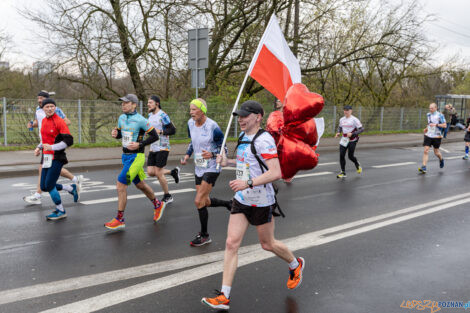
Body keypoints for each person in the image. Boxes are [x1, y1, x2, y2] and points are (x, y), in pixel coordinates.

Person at [201, 100, 304, 311]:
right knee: (231, 243)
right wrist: (226, 162)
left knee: (267, 244)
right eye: (239, 116)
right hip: (242, 199)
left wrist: (247, 182)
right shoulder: (242, 137)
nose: (241, 119)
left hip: (261, 201)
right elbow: (246, 164)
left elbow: (275, 172)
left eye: (245, 116)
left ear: (258, 117)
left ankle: (295, 264)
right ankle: (224, 296)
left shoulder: (264, 140)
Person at [104, 94, 165, 230]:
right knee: (140, 185)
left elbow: (154, 136)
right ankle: (157, 204)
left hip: (137, 157)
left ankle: (120, 219)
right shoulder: (121, 118)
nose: (123, 105)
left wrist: (140, 144)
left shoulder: (141, 120)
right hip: (125, 156)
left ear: (134, 105)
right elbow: (121, 133)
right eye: (122, 103)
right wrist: (115, 134)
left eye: (126, 103)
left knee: (121, 185)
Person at [180, 98, 232, 246]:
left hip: (212, 167)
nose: (191, 113)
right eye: (190, 110)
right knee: (205, 201)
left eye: (194, 109)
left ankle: (204, 235)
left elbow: (224, 149)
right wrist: (186, 155)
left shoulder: (213, 127)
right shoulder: (190, 123)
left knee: (198, 201)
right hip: (199, 166)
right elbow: (192, 143)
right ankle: (229, 204)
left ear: (202, 110)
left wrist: (213, 155)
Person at [24, 91, 82, 205]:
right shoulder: (37, 110)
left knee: (45, 171)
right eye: (38, 98)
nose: (39, 100)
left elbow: (67, 122)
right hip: (44, 144)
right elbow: (38, 122)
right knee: (53, 171)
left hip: (54, 146)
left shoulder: (55, 110)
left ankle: (38, 195)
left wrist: (56, 126)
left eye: (42, 98)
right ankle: (74, 182)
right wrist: (32, 124)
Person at [36, 98, 77, 220]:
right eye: (47, 107)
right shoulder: (43, 120)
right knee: (43, 186)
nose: (49, 109)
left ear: (55, 108)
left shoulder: (59, 121)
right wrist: (38, 147)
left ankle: (61, 210)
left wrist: (52, 147)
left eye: (52, 106)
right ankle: (70, 188)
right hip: (46, 157)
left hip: (57, 157)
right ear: (43, 108)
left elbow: (69, 141)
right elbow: (45, 139)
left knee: (49, 185)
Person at [146, 95, 180, 203]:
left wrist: (160, 132)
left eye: (150, 102)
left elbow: (173, 130)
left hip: (163, 146)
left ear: (157, 103)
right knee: (151, 172)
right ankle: (172, 172)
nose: (148, 104)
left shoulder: (163, 115)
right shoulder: (149, 115)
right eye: (148, 102)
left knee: (158, 172)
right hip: (153, 147)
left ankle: (168, 196)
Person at [334, 105, 363, 178]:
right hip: (344, 139)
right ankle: (343, 172)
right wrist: (338, 132)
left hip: (352, 140)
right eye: (344, 110)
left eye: (347, 110)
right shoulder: (341, 119)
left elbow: (361, 129)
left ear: (351, 111)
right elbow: (340, 127)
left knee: (350, 156)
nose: (346, 111)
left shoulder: (354, 119)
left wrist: (353, 134)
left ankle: (357, 164)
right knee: (341, 155)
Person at [418, 103, 446, 174]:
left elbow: (445, 125)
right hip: (428, 135)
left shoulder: (440, 115)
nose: (430, 109)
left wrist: (436, 124)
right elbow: (429, 123)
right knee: (426, 150)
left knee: (436, 152)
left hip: (437, 136)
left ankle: (441, 159)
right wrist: (426, 128)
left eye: (432, 108)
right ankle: (424, 167)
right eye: (429, 108)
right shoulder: (428, 114)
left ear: (436, 108)